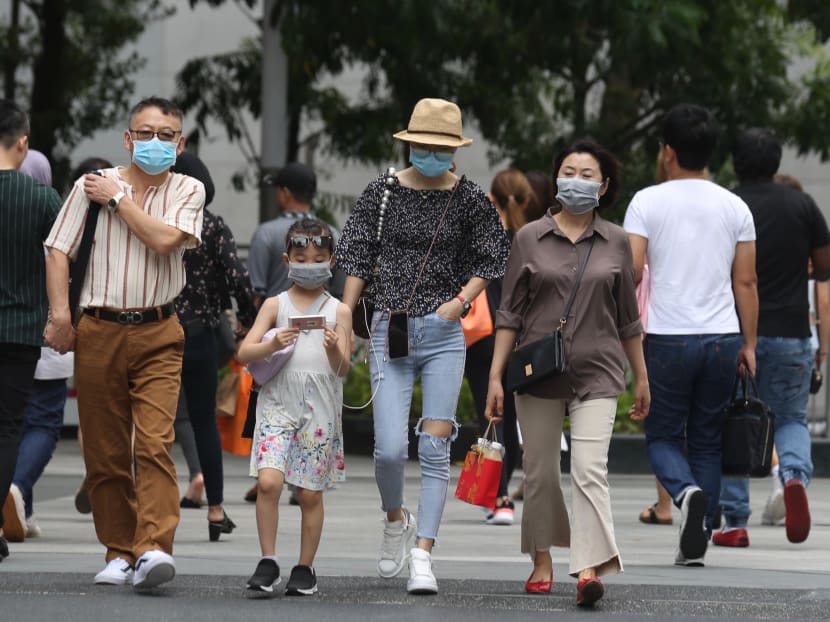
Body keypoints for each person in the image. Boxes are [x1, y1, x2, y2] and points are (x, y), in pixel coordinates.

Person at [336, 97, 510, 595]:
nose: (431, 154)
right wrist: (348, 312)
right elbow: (356, 252)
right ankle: (396, 520)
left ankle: (423, 555)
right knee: (389, 450)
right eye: (424, 145)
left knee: (435, 447)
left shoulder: (470, 197)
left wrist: (463, 299)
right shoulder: (384, 191)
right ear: (409, 143)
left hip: (442, 335)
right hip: (390, 329)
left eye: (441, 147)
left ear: (454, 150)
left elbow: (493, 254)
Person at [43, 96, 204, 589]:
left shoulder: (188, 188)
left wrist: (118, 200)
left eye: (166, 135)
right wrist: (61, 316)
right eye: (146, 132)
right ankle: (118, 550)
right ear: (128, 138)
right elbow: (57, 249)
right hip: (99, 328)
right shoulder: (87, 186)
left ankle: (153, 547)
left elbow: (162, 240)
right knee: (107, 450)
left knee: (155, 442)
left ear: (179, 143)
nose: (155, 142)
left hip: (159, 328)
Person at [484, 139, 649, 607]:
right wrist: (496, 378)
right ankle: (541, 557)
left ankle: (589, 568)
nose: (576, 181)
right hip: (537, 373)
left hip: (598, 372)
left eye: (587, 174)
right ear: (556, 178)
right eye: (569, 172)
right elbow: (509, 315)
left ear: (605, 185)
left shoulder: (617, 240)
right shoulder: (528, 238)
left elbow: (628, 319)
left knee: (589, 469)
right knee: (539, 473)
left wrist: (642, 377)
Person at [623, 103, 758, 567]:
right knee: (706, 440)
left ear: (667, 152)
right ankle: (695, 537)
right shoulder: (735, 206)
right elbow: (745, 282)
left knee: (661, 433)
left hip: (666, 337)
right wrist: (750, 344)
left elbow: (634, 270)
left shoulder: (646, 201)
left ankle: (684, 495)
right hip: (721, 336)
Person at [713, 129, 830, 548]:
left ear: (736, 162)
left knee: (735, 418)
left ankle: (735, 522)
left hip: (736, 331)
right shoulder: (802, 205)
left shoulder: (726, 203)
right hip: (794, 333)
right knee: (792, 418)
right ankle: (795, 477)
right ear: (777, 161)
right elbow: (824, 269)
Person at [237, 217, 350, 596]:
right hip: (277, 404)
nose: (309, 264)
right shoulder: (275, 304)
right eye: (301, 258)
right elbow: (243, 352)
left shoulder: (340, 311)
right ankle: (268, 560)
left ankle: (305, 567)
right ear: (287, 260)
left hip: (320, 408)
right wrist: (271, 343)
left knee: (309, 493)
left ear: (332, 261)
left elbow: (342, 368)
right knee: (269, 481)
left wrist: (335, 347)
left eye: (318, 257)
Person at [170, 151, 257, 540]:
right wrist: (248, 323)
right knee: (204, 420)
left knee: (153, 422)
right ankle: (217, 510)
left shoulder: (155, 219)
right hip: (201, 334)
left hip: (155, 332)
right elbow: (239, 279)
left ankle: (145, 508)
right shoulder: (213, 226)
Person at [0, 101, 62, 558]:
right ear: (23, 142)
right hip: (21, 329)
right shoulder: (41, 198)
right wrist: (61, 313)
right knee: (8, 428)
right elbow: (64, 255)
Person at [463, 169, 541, 525]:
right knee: (510, 413)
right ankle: (500, 494)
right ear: (527, 201)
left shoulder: (480, 236)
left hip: (483, 336)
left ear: (492, 198)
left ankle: (496, 495)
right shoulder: (534, 240)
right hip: (521, 338)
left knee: (490, 412)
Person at [64, 157, 113, 516]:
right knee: (123, 403)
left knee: (90, 408)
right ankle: (114, 469)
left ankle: (95, 470)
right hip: (119, 317)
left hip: (85, 319)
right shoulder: (121, 214)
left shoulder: (71, 217)